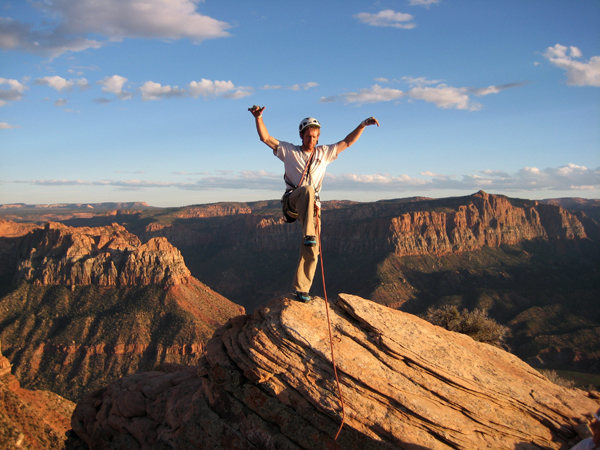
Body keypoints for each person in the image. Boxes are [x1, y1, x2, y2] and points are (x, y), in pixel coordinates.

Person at [249, 105, 379, 303]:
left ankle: (302, 289)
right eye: (308, 136)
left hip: (314, 207)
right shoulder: (289, 151)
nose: (312, 140)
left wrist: (362, 125)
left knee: (313, 249)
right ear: (301, 136)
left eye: (315, 136)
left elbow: (347, 142)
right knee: (308, 191)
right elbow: (266, 138)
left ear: (318, 137)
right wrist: (258, 118)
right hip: (294, 201)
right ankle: (309, 233)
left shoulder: (324, 153)